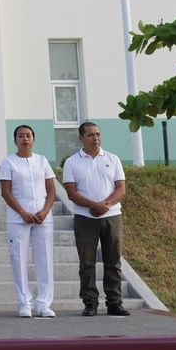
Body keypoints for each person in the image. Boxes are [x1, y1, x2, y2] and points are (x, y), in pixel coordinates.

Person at [62, 121, 129, 317]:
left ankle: (114, 302)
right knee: (87, 262)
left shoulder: (113, 159)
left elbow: (121, 188)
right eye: (91, 135)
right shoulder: (72, 162)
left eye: (98, 134)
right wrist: (93, 205)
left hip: (112, 216)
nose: (96, 138)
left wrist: (105, 205)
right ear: (81, 138)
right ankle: (90, 302)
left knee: (113, 260)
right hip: (85, 218)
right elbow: (71, 192)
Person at [0, 124, 56, 318]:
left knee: (45, 259)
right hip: (18, 218)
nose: (25, 139)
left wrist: (45, 211)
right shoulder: (9, 162)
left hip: (43, 217)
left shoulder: (42, 160)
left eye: (29, 135)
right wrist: (22, 212)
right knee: (19, 259)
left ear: (34, 139)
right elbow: (6, 192)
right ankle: (24, 303)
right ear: (15, 140)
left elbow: (51, 190)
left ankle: (44, 303)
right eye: (21, 136)